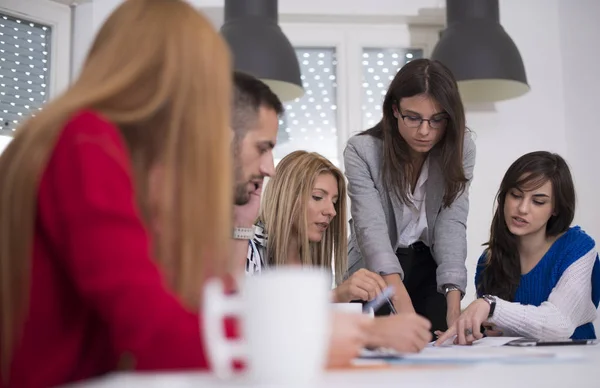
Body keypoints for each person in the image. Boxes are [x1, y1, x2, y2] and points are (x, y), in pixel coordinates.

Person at [0, 1, 235, 386]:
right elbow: (154, 334)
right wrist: (306, 341)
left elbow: (204, 303)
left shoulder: (90, 147)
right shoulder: (84, 140)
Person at [246, 150, 432, 353]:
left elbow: (309, 337)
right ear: (286, 196)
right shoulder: (248, 250)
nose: (331, 211)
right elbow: (254, 325)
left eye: (334, 202)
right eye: (318, 197)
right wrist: (336, 296)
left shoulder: (313, 265)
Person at [343, 58, 476, 333]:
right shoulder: (362, 151)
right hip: (377, 267)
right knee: (385, 355)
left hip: (431, 262)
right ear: (394, 110)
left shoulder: (462, 149)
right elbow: (372, 231)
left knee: (441, 347)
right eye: (413, 117)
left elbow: (452, 223)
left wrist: (454, 305)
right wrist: (403, 308)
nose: (425, 130)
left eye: (437, 119)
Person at [436, 151, 600, 345]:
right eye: (516, 195)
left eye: (538, 201)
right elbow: (501, 331)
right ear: (504, 197)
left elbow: (560, 324)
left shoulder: (578, 248)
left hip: (573, 369)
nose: (522, 208)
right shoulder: (489, 261)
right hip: (515, 370)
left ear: (555, 208)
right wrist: (472, 330)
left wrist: (492, 307)